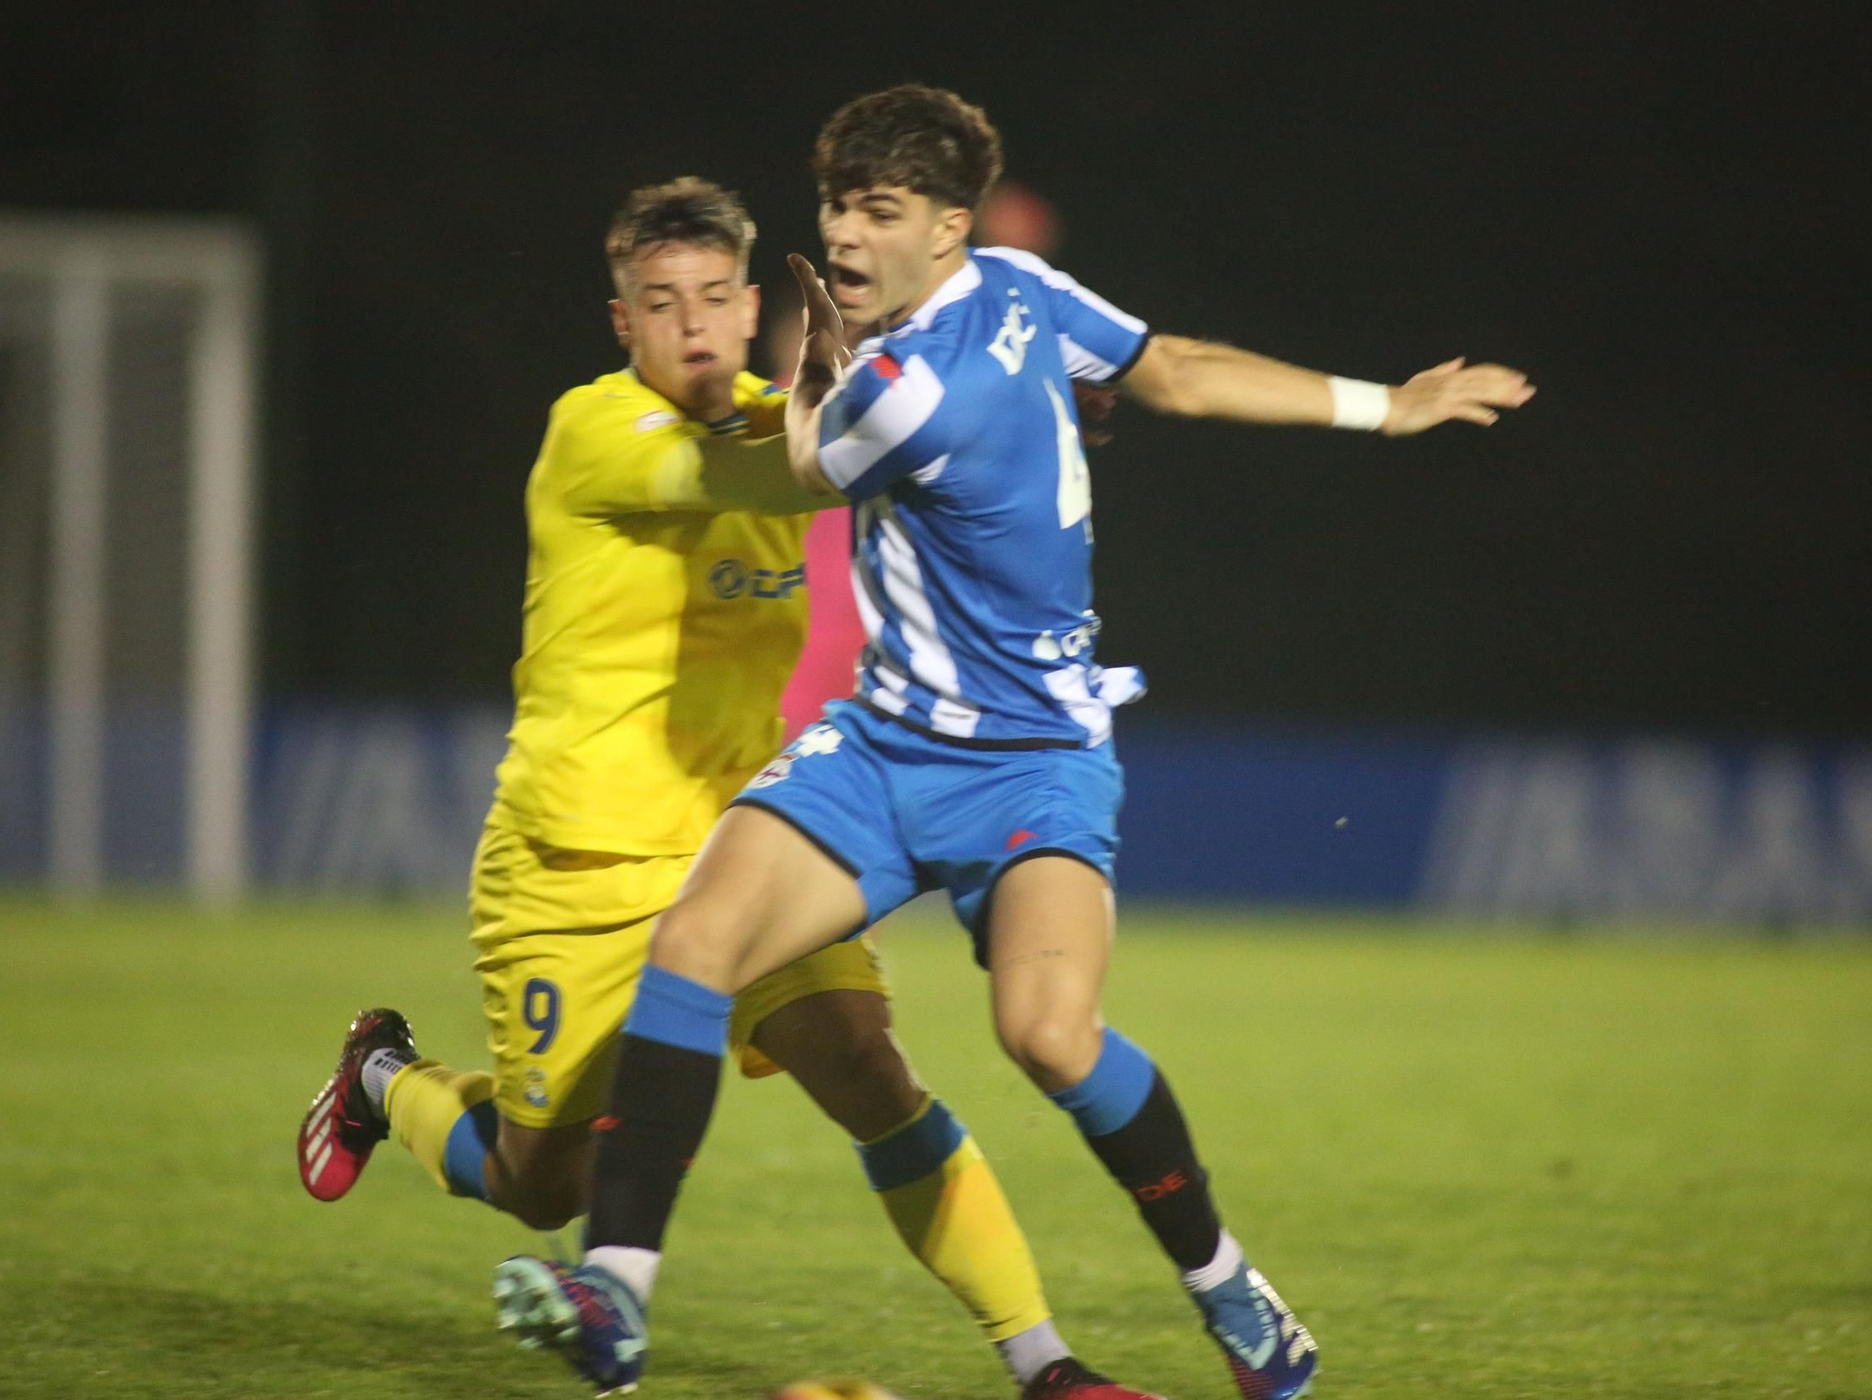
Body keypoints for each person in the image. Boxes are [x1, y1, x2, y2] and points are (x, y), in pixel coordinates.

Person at [502, 88, 1534, 1400]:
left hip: (1033, 758)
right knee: (694, 943)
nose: (848, 239)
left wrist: (1383, 403)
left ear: (948, 228)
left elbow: (853, 447)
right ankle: (617, 1292)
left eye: (880, 214)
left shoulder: (912, 376)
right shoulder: (1017, 289)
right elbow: (1167, 377)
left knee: (1048, 1036)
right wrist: (1378, 405)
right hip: (881, 745)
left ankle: (1225, 1281)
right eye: (835, 210)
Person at [296, 176, 1161, 1400]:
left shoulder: (799, 414)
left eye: (715, 298)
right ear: (622, 323)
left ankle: (1046, 1362)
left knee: (870, 1066)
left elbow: (913, 456)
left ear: (755, 304)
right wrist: (916, 409)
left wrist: (1023, 403)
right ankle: (382, 1074)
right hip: (575, 866)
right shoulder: (599, 434)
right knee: (539, 1179)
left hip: (746, 846)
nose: (694, 327)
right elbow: (778, 472)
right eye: (662, 304)